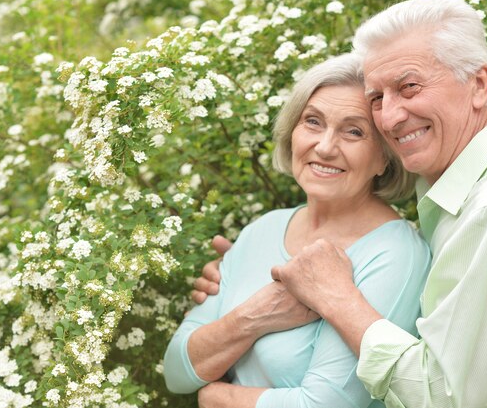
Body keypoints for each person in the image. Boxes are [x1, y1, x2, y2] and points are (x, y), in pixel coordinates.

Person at [193, 0, 487, 408]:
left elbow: (442, 398)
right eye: (377, 97)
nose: (390, 117)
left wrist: (338, 297)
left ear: (479, 85)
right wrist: (242, 282)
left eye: (409, 87)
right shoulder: (455, 195)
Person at [163, 53, 432, 408]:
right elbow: (177, 372)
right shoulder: (265, 228)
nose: (324, 147)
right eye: (313, 122)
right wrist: (256, 316)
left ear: (385, 156)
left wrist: (218, 397)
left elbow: (325, 404)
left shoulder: (395, 255)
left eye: (354, 131)